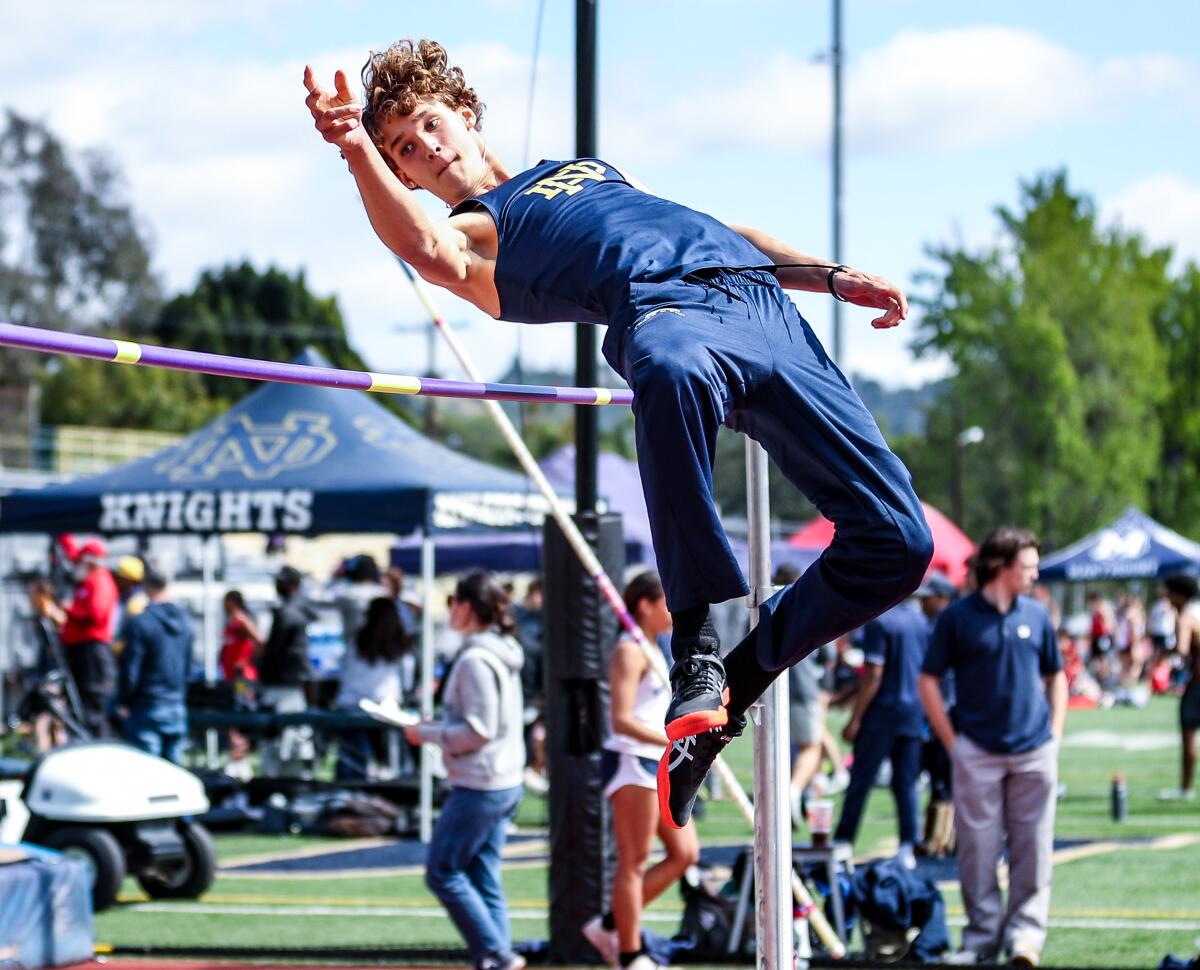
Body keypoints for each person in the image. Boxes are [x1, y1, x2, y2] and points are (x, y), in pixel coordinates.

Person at [302, 39, 933, 827]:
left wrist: (827, 275)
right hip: (669, 314)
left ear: (463, 116)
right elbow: (426, 249)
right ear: (407, 176)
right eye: (405, 150)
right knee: (663, 372)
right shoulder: (479, 226)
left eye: (428, 126)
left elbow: (715, 229)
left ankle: (735, 677)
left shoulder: (591, 168)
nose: (425, 149)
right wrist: (356, 149)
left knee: (900, 544)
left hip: (762, 307)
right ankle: (700, 647)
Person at [918, 528, 1066, 966]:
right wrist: (953, 742)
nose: (1036, 574)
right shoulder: (957, 617)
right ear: (1002, 567)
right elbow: (928, 681)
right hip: (977, 750)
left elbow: (1056, 676)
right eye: (1029, 566)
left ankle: (1025, 939)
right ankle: (981, 939)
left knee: (1033, 847)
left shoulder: (1038, 615)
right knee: (977, 852)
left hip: (1034, 749)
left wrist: (1055, 735)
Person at [404, 570, 526, 970]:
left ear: (465, 607)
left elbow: (479, 730)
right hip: (503, 777)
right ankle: (495, 956)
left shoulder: (476, 657)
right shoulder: (501, 648)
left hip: (482, 782)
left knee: (443, 871)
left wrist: (428, 733)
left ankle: (498, 954)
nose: (449, 611)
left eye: (452, 602)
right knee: (483, 876)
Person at [584, 572, 698, 970]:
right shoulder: (629, 651)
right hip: (634, 762)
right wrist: (670, 740)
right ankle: (630, 954)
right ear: (645, 605)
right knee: (634, 862)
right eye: (665, 600)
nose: (672, 610)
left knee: (685, 853)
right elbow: (620, 720)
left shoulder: (652, 647)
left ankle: (612, 924)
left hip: (659, 761)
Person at [832, 574, 947, 867]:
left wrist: (855, 718)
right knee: (905, 783)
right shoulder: (922, 623)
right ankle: (908, 843)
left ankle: (844, 841)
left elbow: (874, 674)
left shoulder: (880, 621)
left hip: (882, 714)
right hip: (912, 712)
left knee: (861, 780)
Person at [116, 568, 194, 763]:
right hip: (176, 705)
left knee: (148, 775)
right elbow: (188, 669)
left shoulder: (140, 623)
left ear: (146, 586)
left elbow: (130, 670)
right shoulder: (186, 622)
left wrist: (123, 701)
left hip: (147, 707)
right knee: (175, 775)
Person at [335, 596, 412, 779]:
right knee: (388, 769)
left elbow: (344, 670)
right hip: (382, 709)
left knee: (355, 767)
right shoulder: (400, 644)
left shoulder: (357, 639)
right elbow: (407, 682)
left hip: (356, 707)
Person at [256, 565, 318, 777]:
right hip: (289, 687)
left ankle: (287, 789)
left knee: (286, 747)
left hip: (287, 689)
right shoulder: (292, 610)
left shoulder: (291, 613)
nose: (278, 586)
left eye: (282, 582)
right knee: (286, 745)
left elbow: (279, 655)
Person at [57, 538, 118, 738]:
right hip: (81, 649)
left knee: (92, 704)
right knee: (80, 703)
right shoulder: (88, 580)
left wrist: (71, 610)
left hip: (92, 650)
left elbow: (96, 614)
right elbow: (71, 552)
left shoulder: (99, 581)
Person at [1158, 573, 1200, 802]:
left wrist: (1164, 657)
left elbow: (1181, 651)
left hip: (1197, 686)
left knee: (1189, 737)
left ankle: (1185, 789)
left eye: (1168, 592)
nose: (1166, 597)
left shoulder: (1185, 617)